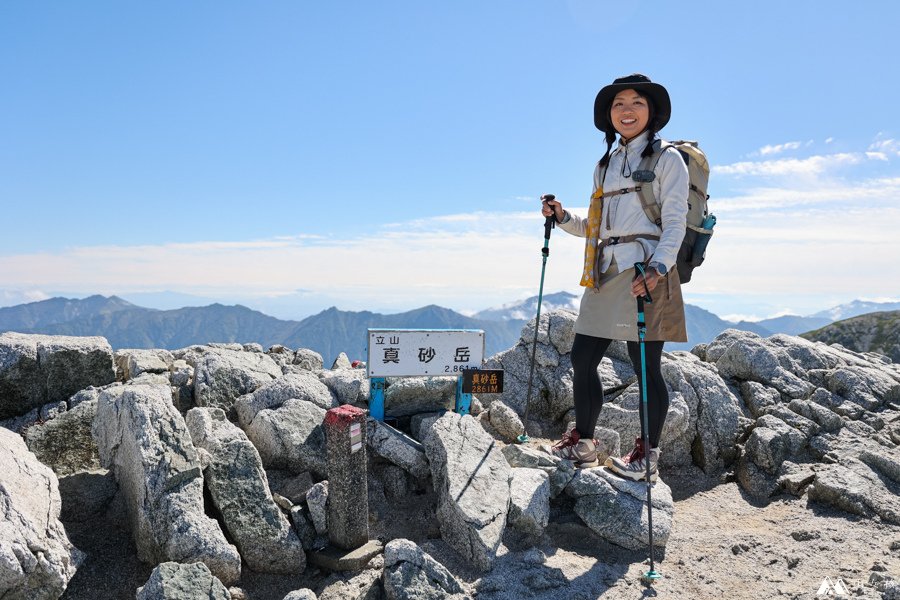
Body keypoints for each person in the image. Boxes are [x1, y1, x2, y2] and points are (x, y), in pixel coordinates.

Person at [540, 73, 689, 481]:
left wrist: (659, 269)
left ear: (652, 112)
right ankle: (584, 444)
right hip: (605, 271)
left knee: (646, 368)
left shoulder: (667, 159)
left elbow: (675, 222)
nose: (627, 110)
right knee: (583, 358)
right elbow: (598, 224)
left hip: (645, 271)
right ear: (609, 115)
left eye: (637, 102)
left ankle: (647, 456)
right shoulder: (605, 164)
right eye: (619, 104)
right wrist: (564, 217)